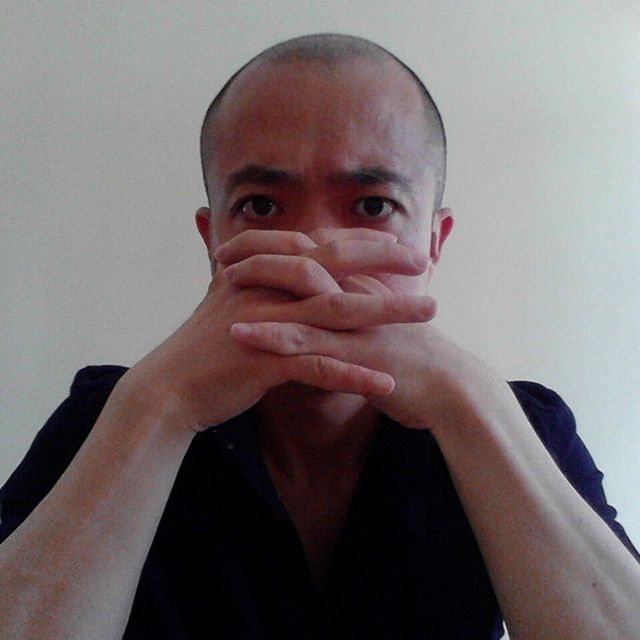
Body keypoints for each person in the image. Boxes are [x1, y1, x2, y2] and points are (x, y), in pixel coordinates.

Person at [0, 32, 639, 640]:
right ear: (213, 241)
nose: (314, 255)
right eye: (262, 206)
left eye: (372, 206)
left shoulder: (521, 425)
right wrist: (159, 406)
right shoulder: (111, 416)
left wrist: (469, 403)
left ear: (433, 244)